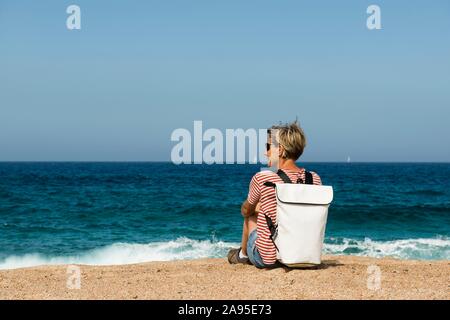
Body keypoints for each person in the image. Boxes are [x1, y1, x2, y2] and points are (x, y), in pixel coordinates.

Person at [227, 121, 322, 268]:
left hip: (269, 258)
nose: (266, 152)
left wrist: (258, 208)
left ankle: (242, 255)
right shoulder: (314, 179)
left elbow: (245, 210)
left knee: (251, 215)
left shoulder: (264, 178)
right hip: (304, 255)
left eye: (268, 147)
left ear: (280, 150)